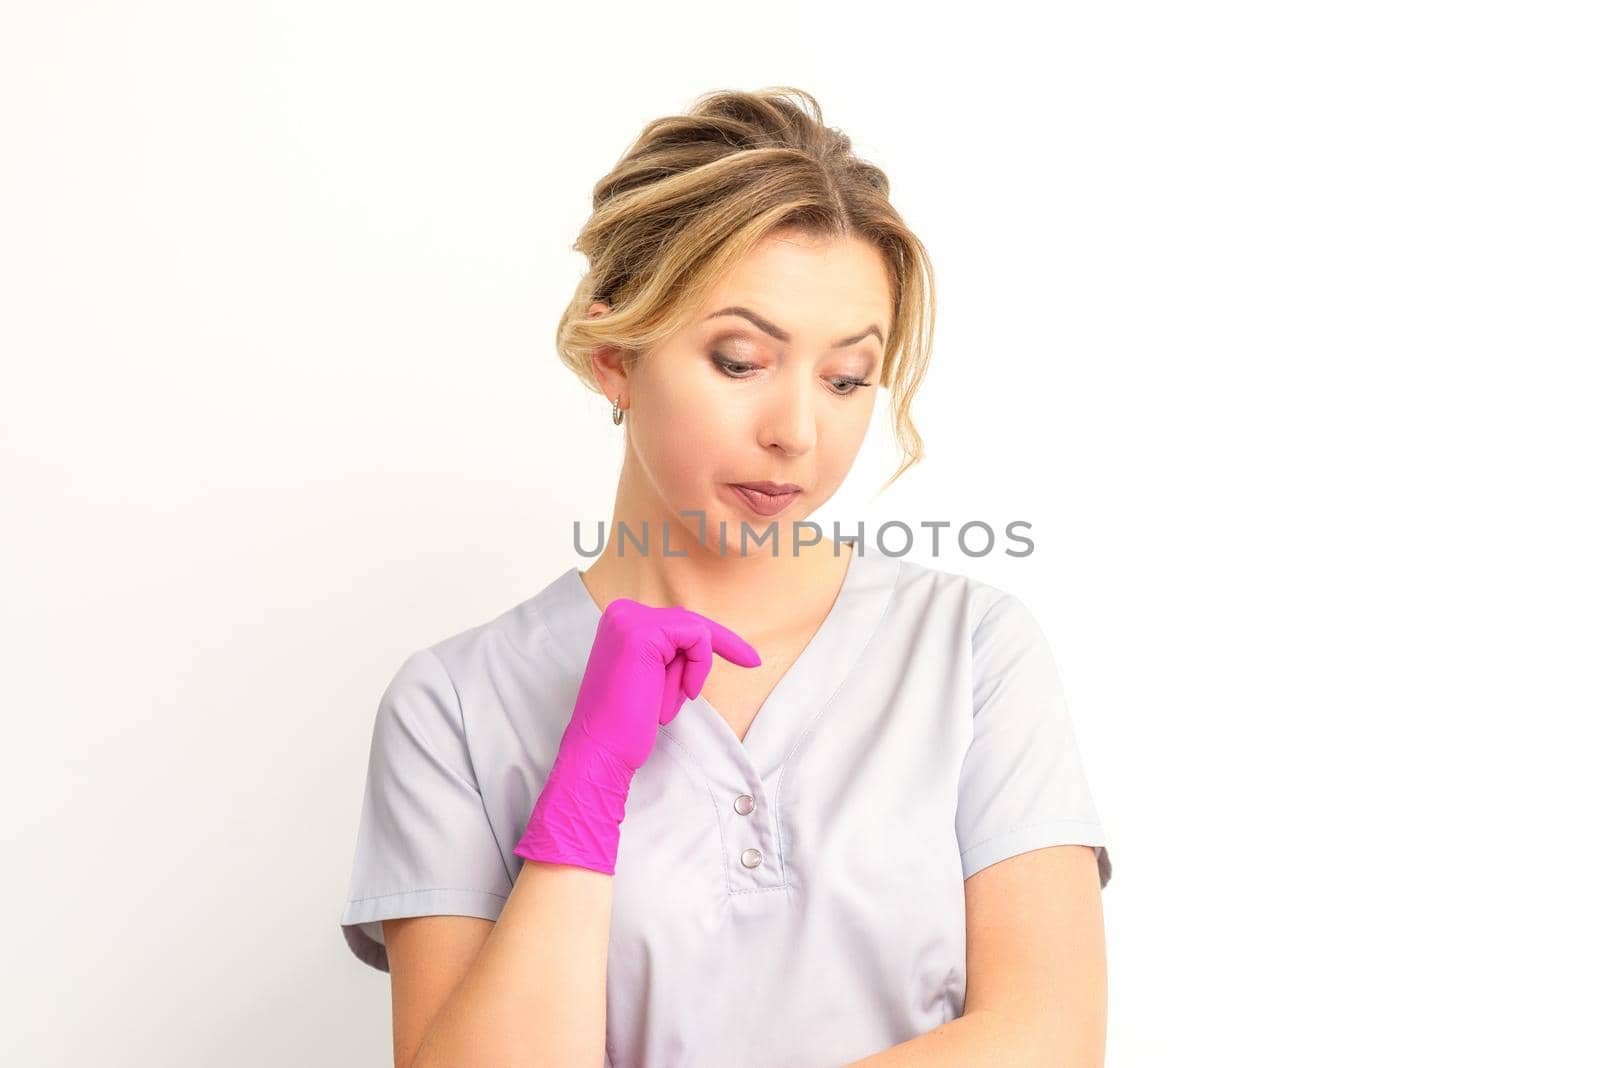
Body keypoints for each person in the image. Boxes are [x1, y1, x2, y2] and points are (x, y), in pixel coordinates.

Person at [338, 85, 1113, 1068]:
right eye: (740, 359)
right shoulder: (451, 706)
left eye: (844, 379)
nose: (796, 431)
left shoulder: (969, 650)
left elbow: (1047, 1042)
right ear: (614, 353)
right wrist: (585, 790)